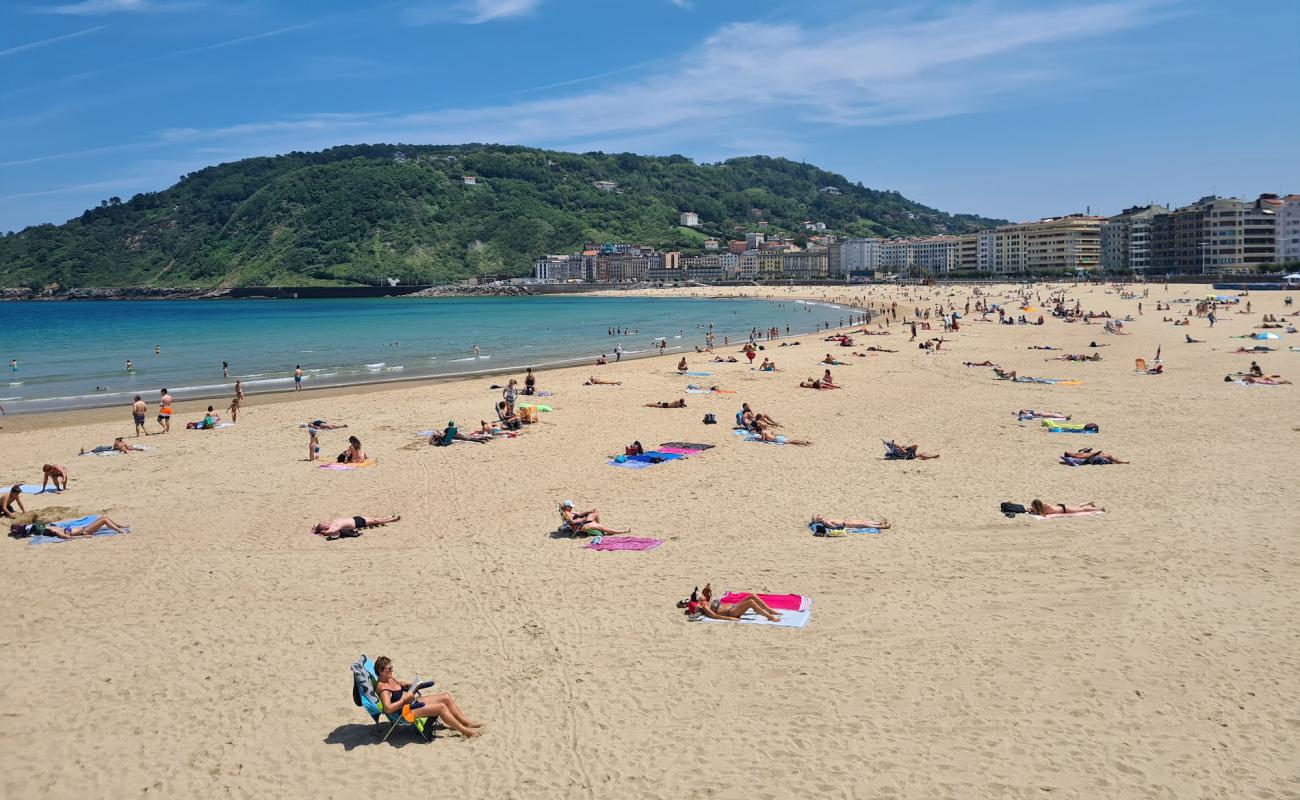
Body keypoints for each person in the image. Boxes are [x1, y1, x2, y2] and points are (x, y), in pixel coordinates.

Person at [374, 656, 481, 739]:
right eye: (389, 668)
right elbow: (387, 708)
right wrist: (404, 700)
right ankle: (465, 731)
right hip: (405, 711)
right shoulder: (383, 689)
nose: (392, 670)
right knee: (441, 707)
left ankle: (465, 722)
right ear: (381, 671)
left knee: (446, 697)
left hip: (411, 702)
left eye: (392, 667)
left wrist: (410, 685)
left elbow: (399, 684)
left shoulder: (389, 678)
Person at [678, 583, 781, 623]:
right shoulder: (704, 606)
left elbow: (707, 589)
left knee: (753, 596)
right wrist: (730, 618)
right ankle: (769, 617)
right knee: (751, 602)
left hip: (734, 607)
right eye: (700, 594)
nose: (702, 594)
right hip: (732, 612)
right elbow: (714, 616)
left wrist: (707, 588)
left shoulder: (707, 600)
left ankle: (769, 610)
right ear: (699, 599)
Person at [559, 500, 629, 535]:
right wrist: (582, 519)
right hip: (581, 526)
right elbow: (572, 522)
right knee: (603, 528)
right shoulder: (566, 513)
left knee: (596, 511)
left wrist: (588, 511)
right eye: (570, 507)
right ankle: (622, 532)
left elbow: (579, 513)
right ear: (566, 507)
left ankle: (600, 528)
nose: (571, 508)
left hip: (583, 522)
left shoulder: (569, 512)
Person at [312, 514, 400, 539]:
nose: (326, 522)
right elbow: (327, 533)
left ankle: (386, 517)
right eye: (324, 524)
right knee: (375, 521)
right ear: (325, 528)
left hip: (355, 518)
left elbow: (316, 525)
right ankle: (391, 519)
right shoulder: (332, 528)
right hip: (357, 524)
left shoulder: (331, 523)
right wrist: (321, 532)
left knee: (374, 519)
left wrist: (316, 529)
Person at [45, 516, 129, 539]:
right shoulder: (59, 533)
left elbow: (47, 527)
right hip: (85, 531)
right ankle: (120, 531)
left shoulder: (56, 529)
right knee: (104, 520)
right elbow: (69, 537)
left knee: (104, 517)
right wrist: (84, 536)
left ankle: (121, 526)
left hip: (85, 528)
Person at [811, 514, 890, 532]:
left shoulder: (826, 520)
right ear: (817, 520)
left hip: (847, 521)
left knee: (863, 521)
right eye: (817, 516)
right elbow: (833, 527)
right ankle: (884, 527)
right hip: (847, 524)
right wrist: (843, 528)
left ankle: (880, 523)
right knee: (865, 525)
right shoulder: (826, 523)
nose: (819, 515)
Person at [1028, 500, 1104, 517]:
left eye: (1033, 506)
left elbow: (1043, 515)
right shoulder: (1041, 507)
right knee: (1078, 507)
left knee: (1082, 510)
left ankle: (1099, 509)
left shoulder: (1045, 507)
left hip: (1064, 509)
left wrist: (1032, 511)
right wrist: (1031, 510)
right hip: (1061, 507)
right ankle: (1089, 503)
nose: (1032, 507)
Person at [1063, 448, 1129, 465]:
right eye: (1069, 452)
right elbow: (1086, 457)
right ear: (1069, 455)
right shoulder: (1076, 457)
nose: (1071, 451)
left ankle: (1115, 460)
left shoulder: (1076, 454)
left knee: (1106, 455)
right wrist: (1096, 453)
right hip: (1093, 458)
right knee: (1108, 455)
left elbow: (1084, 453)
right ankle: (1122, 462)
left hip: (1093, 455)